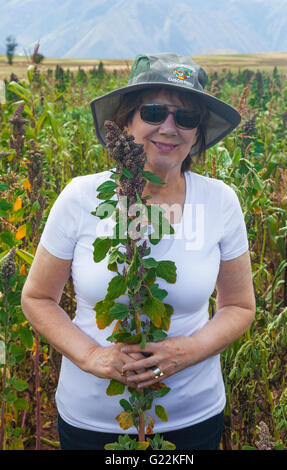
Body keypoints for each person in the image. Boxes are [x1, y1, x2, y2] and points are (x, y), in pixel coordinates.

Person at [21, 52, 256, 450]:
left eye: (185, 117)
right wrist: (92, 356)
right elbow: (38, 298)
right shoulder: (82, 196)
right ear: (127, 121)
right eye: (153, 111)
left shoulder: (220, 201)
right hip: (92, 423)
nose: (169, 127)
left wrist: (187, 350)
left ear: (197, 133)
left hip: (192, 420)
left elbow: (240, 307)